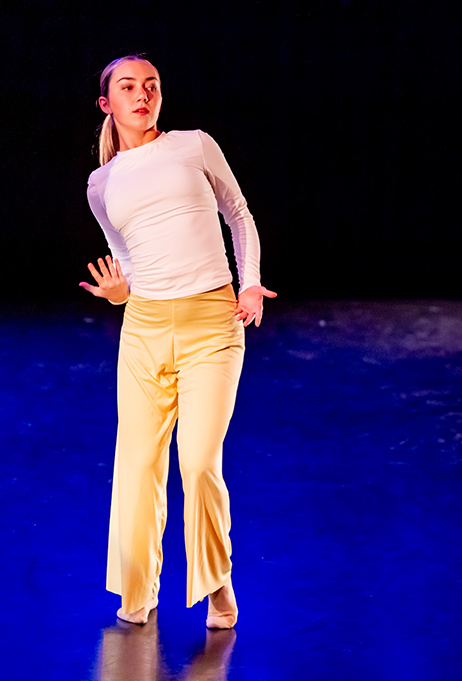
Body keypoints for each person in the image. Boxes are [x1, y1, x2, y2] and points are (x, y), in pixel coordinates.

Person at [79, 55, 276, 629]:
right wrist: (119, 294)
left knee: (197, 464)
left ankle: (217, 582)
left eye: (151, 86)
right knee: (137, 466)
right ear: (106, 104)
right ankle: (137, 588)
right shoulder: (101, 185)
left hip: (211, 324)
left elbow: (237, 213)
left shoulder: (194, 145)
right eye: (127, 87)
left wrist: (252, 281)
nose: (141, 95)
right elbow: (134, 264)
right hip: (142, 329)